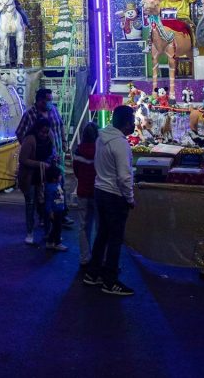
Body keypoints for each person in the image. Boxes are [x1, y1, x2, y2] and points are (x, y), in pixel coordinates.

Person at [83, 105, 137, 296]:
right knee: (115, 239)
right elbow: (124, 177)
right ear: (126, 122)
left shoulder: (102, 137)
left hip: (100, 190)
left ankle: (93, 273)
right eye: (133, 120)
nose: (134, 124)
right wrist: (130, 198)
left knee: (102, 235)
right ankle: (110, 280)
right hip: (115, 195)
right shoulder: (120, 144)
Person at [17, 119, 54, 245]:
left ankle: (47, 232)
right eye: (42, 132)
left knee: (45, 204)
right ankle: (30, 232)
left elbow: (52, 152)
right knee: (31, 204)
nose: (44, 134)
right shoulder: (30, 139)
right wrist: (40, 164)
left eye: (46, 132)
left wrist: (52, 159)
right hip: (30, 177)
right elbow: (22, 159)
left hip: (44, 176)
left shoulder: (49, 137)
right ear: (37, 130)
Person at [72, 122, 99, 269]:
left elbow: (76, 172)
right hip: (97, 193)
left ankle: (84, 257)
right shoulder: (100, 151)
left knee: (83, 226)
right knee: (100, 226)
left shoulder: (78, 152)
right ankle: (100, 257)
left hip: (82, 191)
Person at [14, 88, 65, 165]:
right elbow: (19, 133)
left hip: (57, 155)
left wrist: (64, 141)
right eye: (49, 100)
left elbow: (61, 125)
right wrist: (30, 149)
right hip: (41, 160)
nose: (51, 102)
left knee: (58, 175)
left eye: (51, 100)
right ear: (40, 100)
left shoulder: (53, 109)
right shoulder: (29, 114)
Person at [42, 165, 68, 252]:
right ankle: (57, 243)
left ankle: (50, 242)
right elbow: (48, 202)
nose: (61, 176)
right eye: (60, 175)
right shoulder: (50, 188)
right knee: (57, 227)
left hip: (59, 210)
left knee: (57, 227)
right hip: (54, 212)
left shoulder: (58, 184)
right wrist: (50, 212)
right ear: (54, 178)